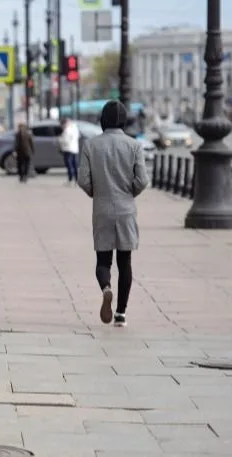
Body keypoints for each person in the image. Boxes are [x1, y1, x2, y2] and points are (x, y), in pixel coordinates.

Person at [78, 100, 149, 327]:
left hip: (102, 208)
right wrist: (130, 193)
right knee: (125, 261)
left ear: (102, 120)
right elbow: (142, 180)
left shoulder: (91, 145)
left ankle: (106, 287)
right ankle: (121, 313)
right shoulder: (134, 145)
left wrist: (95, 193)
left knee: (103, 260)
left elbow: (83, 179)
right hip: (126, 209)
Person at [59, 117, 80, 185]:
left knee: (69, 165)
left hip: (68, 149)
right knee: (75, 165)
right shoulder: (75, 128)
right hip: (75, 149)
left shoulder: (67, 130)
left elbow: (65, 140)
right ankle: (77, 179)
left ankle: (71, 179)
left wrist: (60, 140)